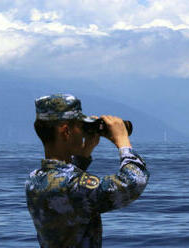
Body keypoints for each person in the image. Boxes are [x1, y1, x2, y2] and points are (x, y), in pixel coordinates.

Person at [25, 93, 150, 248]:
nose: (84, 132)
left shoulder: (34, 179)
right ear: (66, 131)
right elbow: (133, 182)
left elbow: (65, 185)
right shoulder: (74, 186)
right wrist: (123, 141)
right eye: (80, 126)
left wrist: (83, 155)